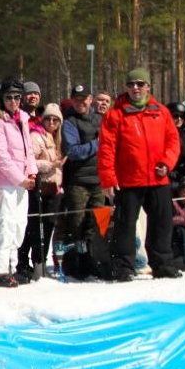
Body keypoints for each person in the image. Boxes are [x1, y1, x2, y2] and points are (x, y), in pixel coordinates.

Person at [98, 68, 182, 280]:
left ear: (148, 86)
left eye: (139, 84)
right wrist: (108, 179)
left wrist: (167, 163)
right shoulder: (115, 115)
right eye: (131, 84)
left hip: (158, 178)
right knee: (125, 226)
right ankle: (123, 267)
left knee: (162, 224)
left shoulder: (161, 112)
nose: (135, 88)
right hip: (128, 181)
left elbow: (173, 141)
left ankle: (162, 264)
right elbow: (106, 149)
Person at [0, 79, 37, 287]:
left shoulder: (22, 119)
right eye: (9, 97)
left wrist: (31, 173)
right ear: (2, 99)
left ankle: (11, 267)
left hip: (23, 182)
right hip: (6, 182)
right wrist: (20, 179)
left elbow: (28, 150)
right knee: (6, 225)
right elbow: (2, 156)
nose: (13, 101)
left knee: (19, 226)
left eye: (17, 97)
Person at [17, 102, 65, 281]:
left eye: (55, 120)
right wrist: (51, 165)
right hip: (40, 188)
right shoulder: (37, 136)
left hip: (54, 188)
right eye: (48, 119)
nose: (52, 122)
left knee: (49, 226)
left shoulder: (57, 138)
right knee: (36, 227)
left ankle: (41, 261)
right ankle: (33, 262)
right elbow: (31, 161)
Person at [59, 84, 104, 254]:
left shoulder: (100, 119)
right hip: (78, 181)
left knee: (97, 222)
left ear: (90, 100)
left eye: (83, 99)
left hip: (99, 180)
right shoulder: (69, 122)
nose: (80, 103)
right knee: (76, 223)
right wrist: (96, 144)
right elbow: (73, 151)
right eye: (76, 99)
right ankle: (74, 262)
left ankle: (94, 259)